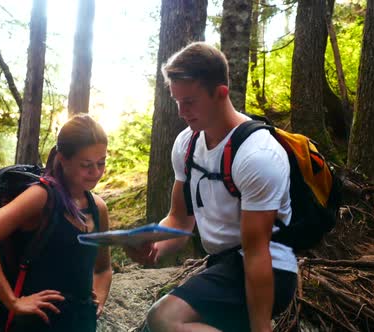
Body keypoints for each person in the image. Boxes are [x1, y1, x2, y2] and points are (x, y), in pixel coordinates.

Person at [125, 42, 297, 332]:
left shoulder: (257, 156)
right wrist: (154, 244)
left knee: (164, 318)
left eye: (189, 102)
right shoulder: (187, 144)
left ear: (220, 94)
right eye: (176, 100)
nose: (181, 111)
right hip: (223, 266)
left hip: (269, 270)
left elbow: (258, 254)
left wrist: (260, 328)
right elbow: (180, 220)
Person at [0, 114, 112, 332]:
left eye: (101, 163)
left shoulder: (97, 207)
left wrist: (98, 298)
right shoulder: (42, 197)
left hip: (82, 324)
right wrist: (13, 301)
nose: (96, 172)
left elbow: (103, 268)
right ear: (63, 159)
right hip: (37, 325)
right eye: (86, 165)